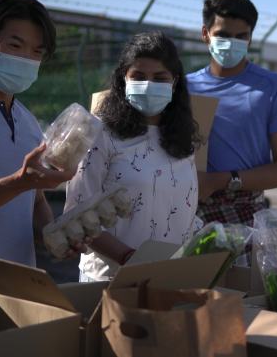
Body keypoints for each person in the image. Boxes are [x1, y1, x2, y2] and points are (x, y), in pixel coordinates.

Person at [0, 0, 81, 294]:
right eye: (15, 45)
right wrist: (19, 181)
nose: (27, 59)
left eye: (37, 52)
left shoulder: (29, 122)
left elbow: (36, 198)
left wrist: (53, 234)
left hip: (16, 297)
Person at [66, 31, 201, 282]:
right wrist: (130, 259)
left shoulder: (184, 139)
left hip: (169, 279)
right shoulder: (97, 133)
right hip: (110, 280)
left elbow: (182, 209)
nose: (149, 84)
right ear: (123, 79)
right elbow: (78, 213)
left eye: (160, 78)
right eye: (139, 76)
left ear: (175, 82)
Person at [187, 0, 277, 226]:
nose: (231, 43)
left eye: (241, 36)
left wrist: (218, 181)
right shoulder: (182, 87)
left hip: (245, 214)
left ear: (250, 39)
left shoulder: (273, 87)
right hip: (183, 211)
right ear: (205, 34)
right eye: (223, 35)